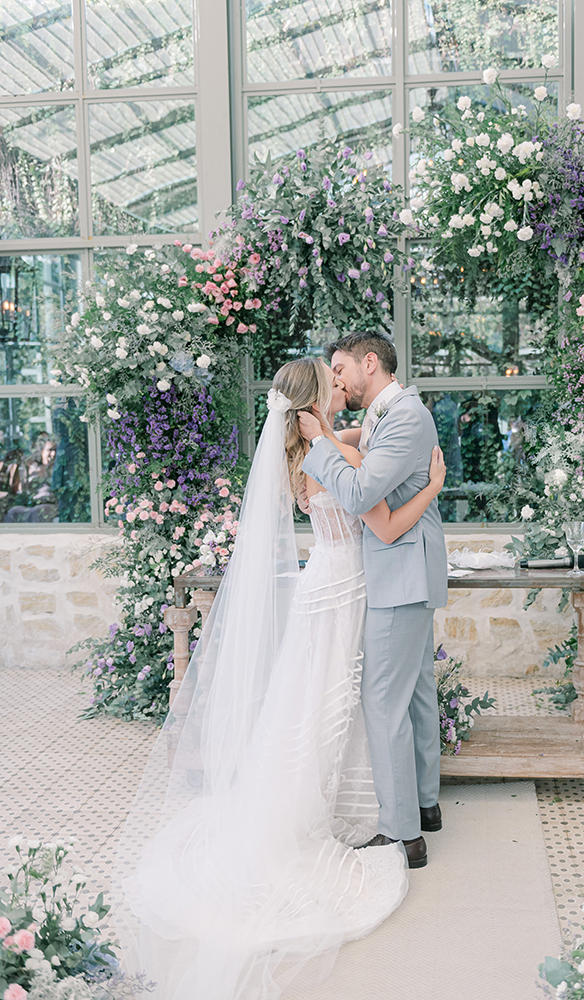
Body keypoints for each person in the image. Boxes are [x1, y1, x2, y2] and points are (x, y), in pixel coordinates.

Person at [114, 356, 445, 1000]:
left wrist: (343, 437)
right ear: (314, 401)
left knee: (334, 698)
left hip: (335, 580)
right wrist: (431, 486)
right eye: (332, 379)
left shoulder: (308, 448)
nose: (340, 383)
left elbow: (354, 446)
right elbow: (372, 511)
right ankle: (382, 816)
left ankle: (383, 805)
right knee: (359, 698)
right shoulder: (324, 453)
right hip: (349, 582)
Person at [300, 331, 448, 870]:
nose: (336, 377)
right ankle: (425, 804)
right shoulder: (391, 412)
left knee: (383, 700)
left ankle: (402, 834)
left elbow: (362, 495)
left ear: (370, 362)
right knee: (415, 694)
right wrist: (333, 433)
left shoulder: (404, 416)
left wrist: (319, 444)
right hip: (408, 568)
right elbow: (365, 447)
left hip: (399, 571)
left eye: (340, 367)